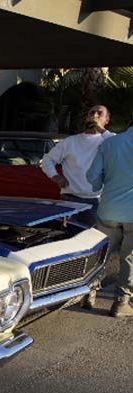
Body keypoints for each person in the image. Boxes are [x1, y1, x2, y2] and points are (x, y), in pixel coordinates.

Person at [87, 120, 133, 317]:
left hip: (109, 210)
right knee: (129, 258)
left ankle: (88, 294)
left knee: (101, 255)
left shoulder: (110, 143)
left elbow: (92, 177)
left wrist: (100, 184)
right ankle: (121, 302)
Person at [41, 105, 115, 227]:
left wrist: (100, 129)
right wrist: (55, 176)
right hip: (70, 197)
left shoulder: (109, 140)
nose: (94, 115)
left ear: (107, 120)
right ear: (87, 117)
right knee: (68, 236)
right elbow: (48, 159)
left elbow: (119, 146)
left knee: (91, 238)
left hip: (96, 199)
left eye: (99, 113)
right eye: (92, 112)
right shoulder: (71, 141)